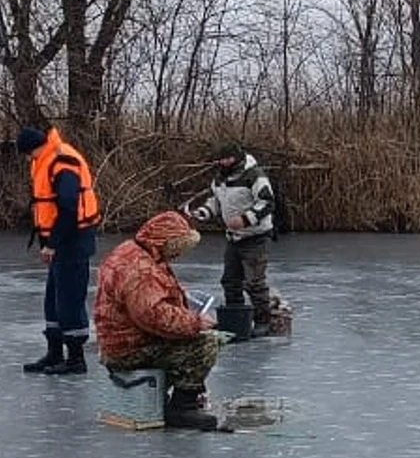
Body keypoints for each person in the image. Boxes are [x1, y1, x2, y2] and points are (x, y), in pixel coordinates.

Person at [94, 211, 226, 430]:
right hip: (129, 348)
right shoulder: (140, 269)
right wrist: (195, 322)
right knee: (206, 344)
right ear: (166, 242)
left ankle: (176, 395)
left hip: (121, 341)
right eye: (177, 247)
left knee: (195, 336)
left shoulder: (134, 252)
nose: (178, 255)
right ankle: (183, 408)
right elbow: (154, 316)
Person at [16, 124, 102, 374]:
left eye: (27, 154)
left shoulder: (62, 160)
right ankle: (54, 353)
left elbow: (68, 208)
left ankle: (76, 359)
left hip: (73, 240)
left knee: (69, 300)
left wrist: (52, 244)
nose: (27, 159)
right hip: (61, 241)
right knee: (53, 300)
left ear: (33, 148)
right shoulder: (46, 159)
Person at [190, 140, 280, 336]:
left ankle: (263, 321)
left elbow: (267, 202)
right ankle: (237, 319)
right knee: (230, 281)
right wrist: (204, 212)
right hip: (233, 238)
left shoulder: (255, 175)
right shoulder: (220, 179)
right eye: (221, 159)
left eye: (228, 158)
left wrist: (245, 219)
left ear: (237, 158)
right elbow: (215, 201)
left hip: (256, 236)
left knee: (254, 282)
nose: (224, 162)